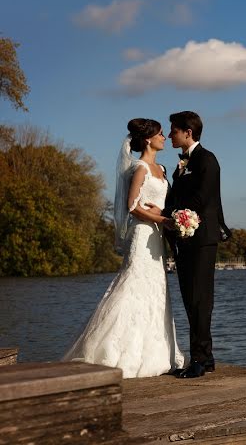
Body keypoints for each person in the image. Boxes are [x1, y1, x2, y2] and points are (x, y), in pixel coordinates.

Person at [63, 119, 185, 378]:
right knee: (133, 285)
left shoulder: (161, 168)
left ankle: (156, 352)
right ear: (149, 139)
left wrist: (169, 216)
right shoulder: (140, 167)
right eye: (160, 134)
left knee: (155, 289)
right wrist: (162, 220)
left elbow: (160, 203)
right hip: (143, 235)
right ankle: (114, 352)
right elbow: (132, 206)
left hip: (157, 238)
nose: (164, 137)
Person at [155, 111, 230, 379]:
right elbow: (178, 196)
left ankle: (199, 360)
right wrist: (162, 213)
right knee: (191, 298)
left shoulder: (206, 160)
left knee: (200, 299)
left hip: (202, 238)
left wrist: (172, 217)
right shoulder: (184, 163)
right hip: (186, 237)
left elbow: (201, 199)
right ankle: (206, 357)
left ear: (188, 132)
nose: (171, 135)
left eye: (173, 130)